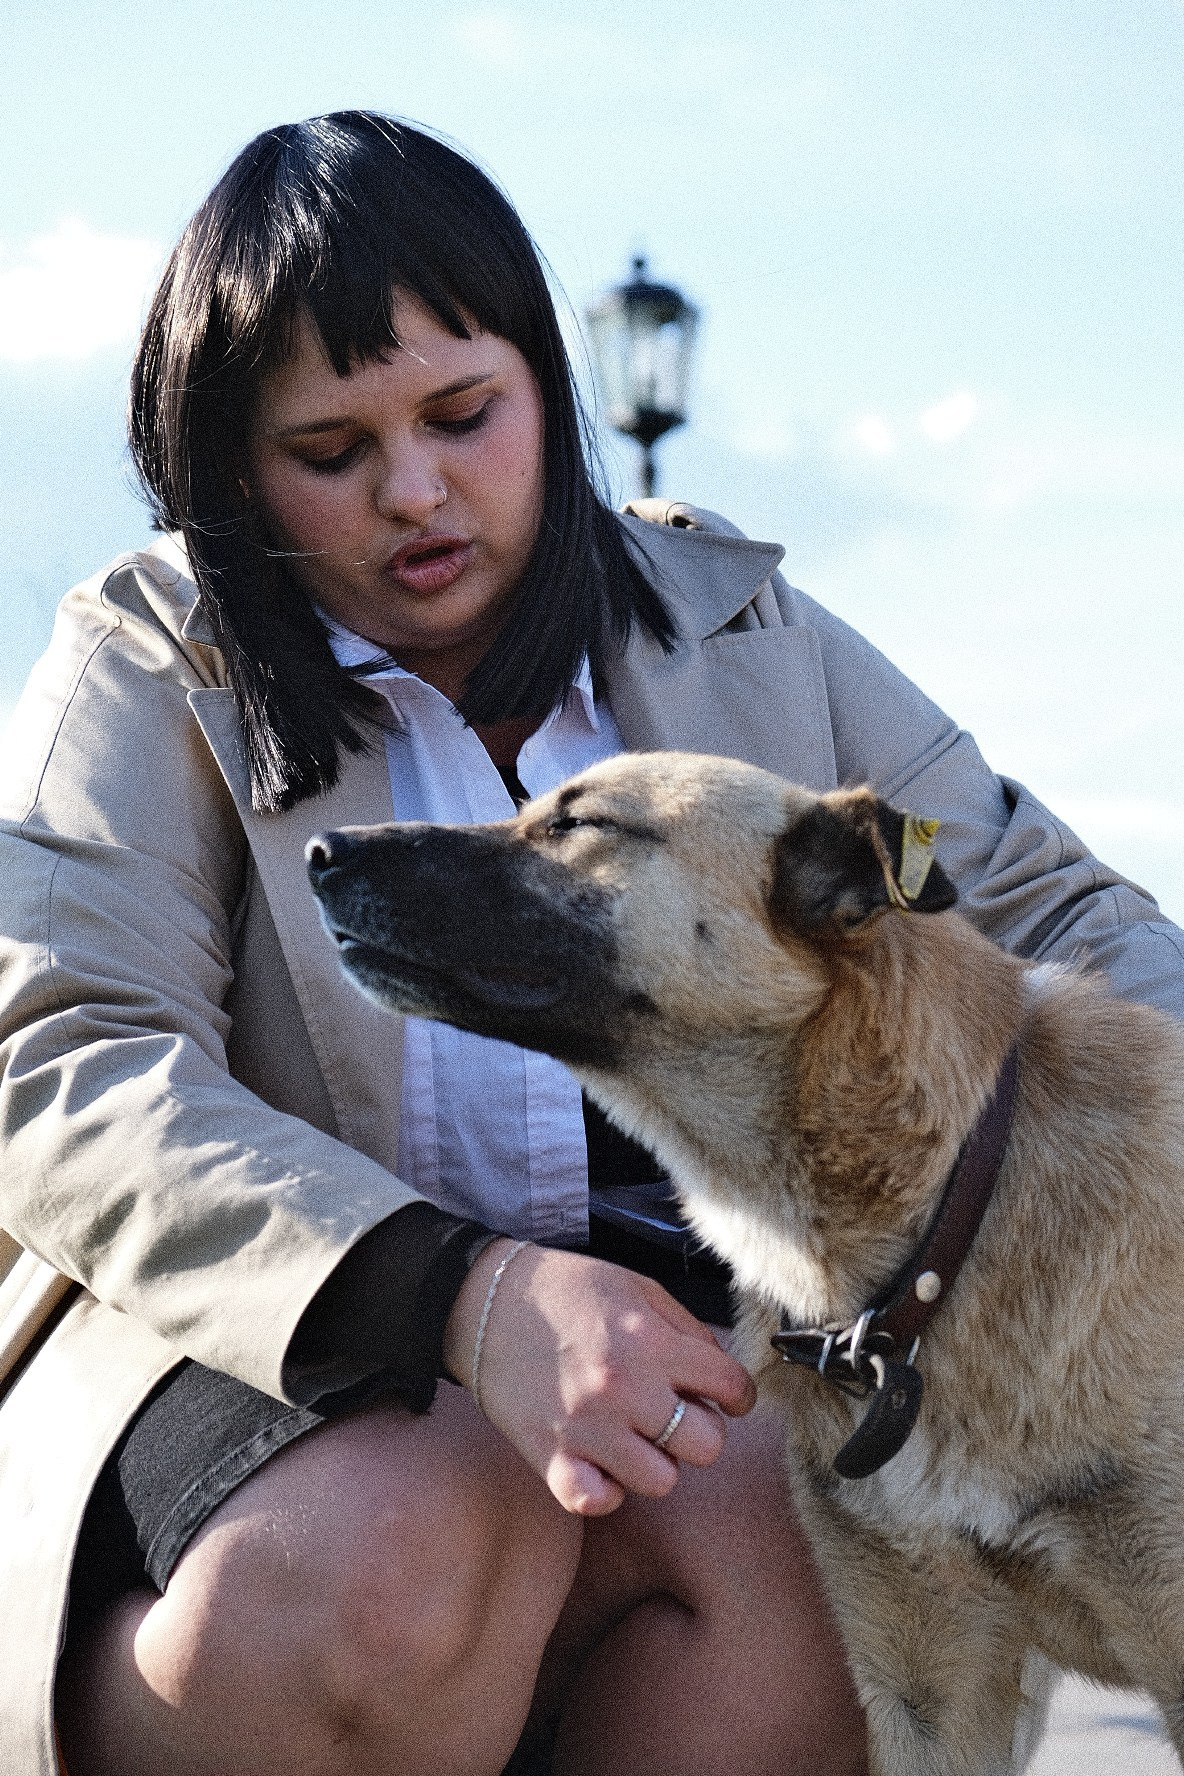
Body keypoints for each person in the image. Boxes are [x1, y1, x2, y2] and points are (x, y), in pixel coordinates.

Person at [0, 110, 1180, 1776]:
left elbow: (1042, 910)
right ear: (227, 471)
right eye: (330, 452)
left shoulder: (745, 629)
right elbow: (61, 1059)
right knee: (404, 1542)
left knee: (829, 1555)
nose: (416, 489)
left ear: (549, 387)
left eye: (464, 415)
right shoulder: (144, 662)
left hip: (702, 1346)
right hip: (266, 1351)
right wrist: (466, 1298)